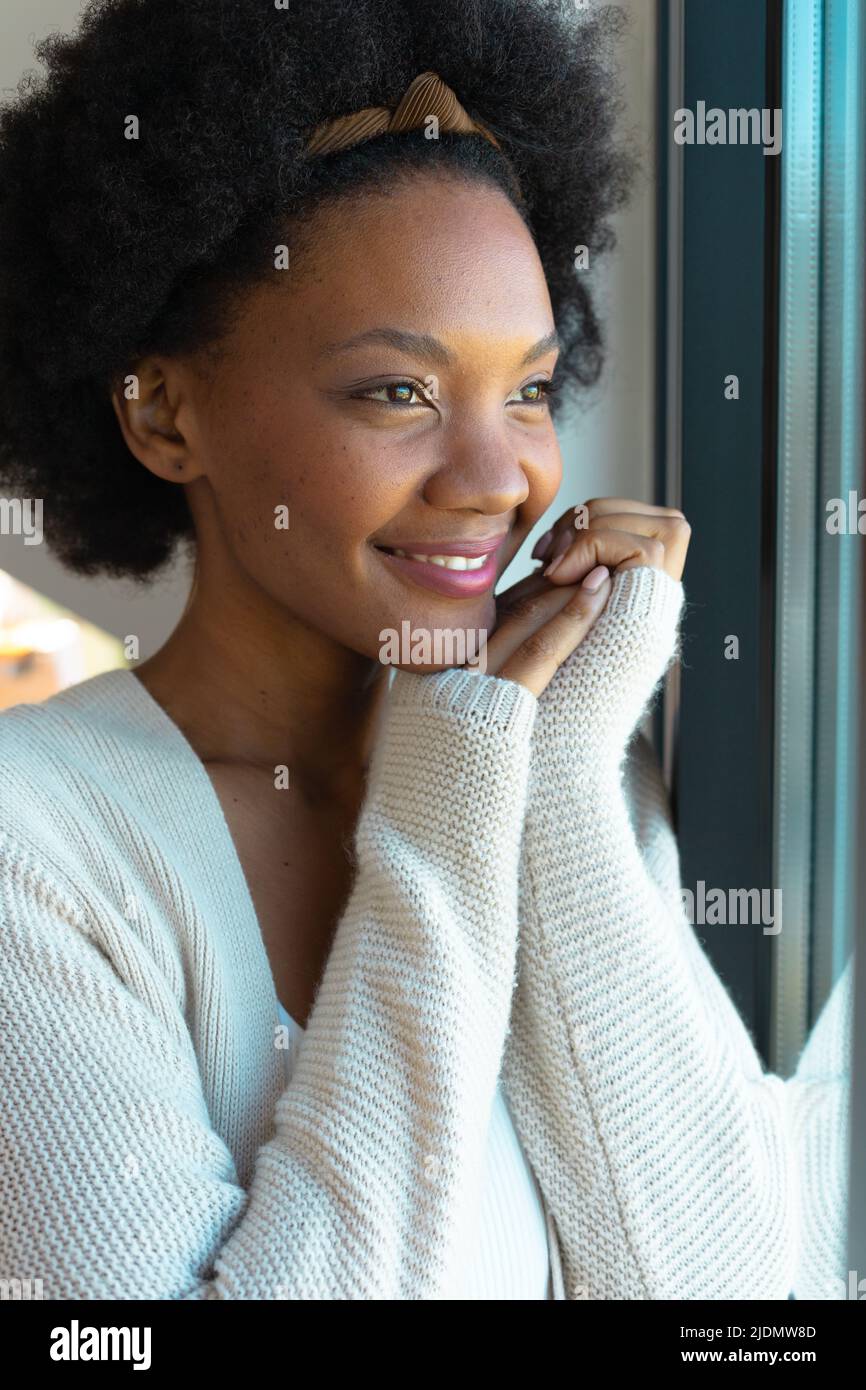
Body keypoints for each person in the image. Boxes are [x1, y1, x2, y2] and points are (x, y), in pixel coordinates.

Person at [0, 0, 847, 1299]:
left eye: (526, 388)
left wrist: (549, 769)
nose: (495, 476)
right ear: (164, 413)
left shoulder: (559, 768)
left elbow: (723, 1292)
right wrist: (454, 804)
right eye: (396, 391)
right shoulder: (33, 848)